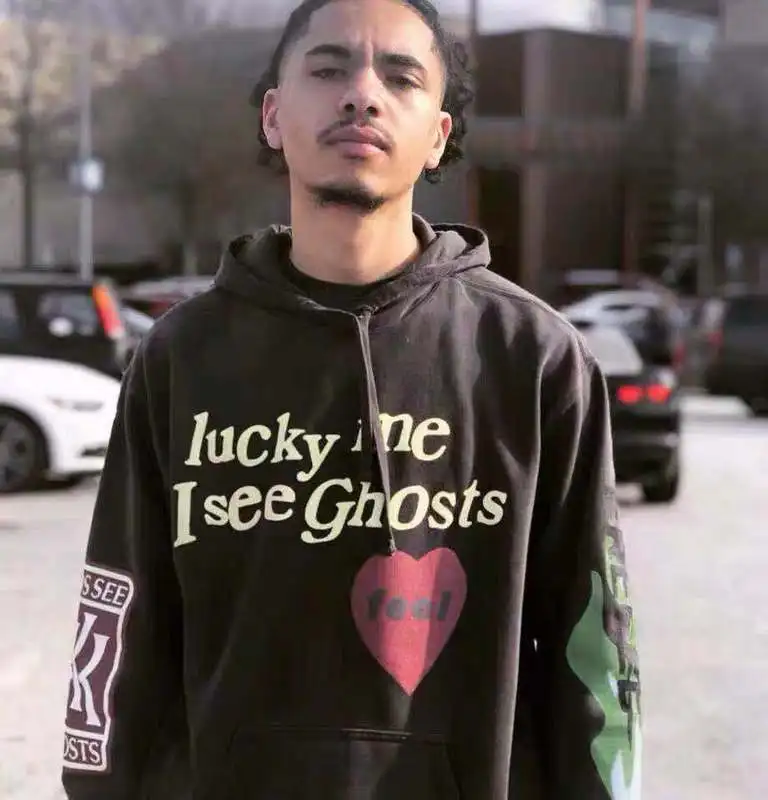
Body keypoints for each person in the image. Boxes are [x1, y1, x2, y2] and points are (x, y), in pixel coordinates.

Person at [61, 0, 641, 797]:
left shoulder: (533, 359)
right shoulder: (179, 358)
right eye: (329, 68)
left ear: (438, 136)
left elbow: (597, 652)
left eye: (400, 77)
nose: (361, 94)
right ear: (273, 115)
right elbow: (117, 624)